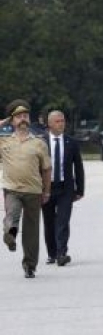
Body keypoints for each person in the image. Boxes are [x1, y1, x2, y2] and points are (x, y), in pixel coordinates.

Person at [0, 99, 52, 278]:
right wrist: (3, 122)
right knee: (12, 216)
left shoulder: (39, 143)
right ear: (12, 121)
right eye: (18, 117)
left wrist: (46, 191)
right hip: (12, 189)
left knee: (31, 230)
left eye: (25, 116)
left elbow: (46, 169)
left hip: (33, 191)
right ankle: (10, 235)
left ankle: (29, 265)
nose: (23, 119)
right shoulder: (4, 142)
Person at [41, 110, 85, 266]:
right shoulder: (41, 142)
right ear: (50, 124)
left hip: (65, 188)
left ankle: (61, 253)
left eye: (63, 121)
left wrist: (80, 189)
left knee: (63, 220)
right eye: (58, 121)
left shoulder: (71, 142)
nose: (62, 124)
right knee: (49, 221)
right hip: (46, 188)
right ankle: (52, 253)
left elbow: (78, 167)